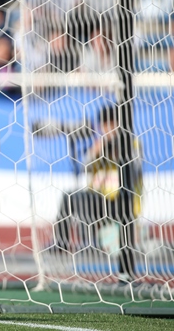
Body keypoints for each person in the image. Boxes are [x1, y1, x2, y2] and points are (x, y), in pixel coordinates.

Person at [52, 104, 143, 282]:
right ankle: (62, 243)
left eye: (110, 125)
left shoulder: (132, 143)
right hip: (99, 199)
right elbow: (83, 168)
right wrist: (95, 152)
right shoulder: (99, 144)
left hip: (123, 201)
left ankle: (96, 243)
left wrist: (117, 153)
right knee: (70, 197)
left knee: (88, 201)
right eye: (103, 126)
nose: (106, 130)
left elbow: (135, 168)